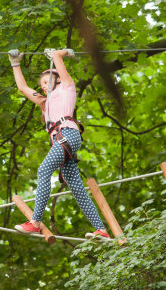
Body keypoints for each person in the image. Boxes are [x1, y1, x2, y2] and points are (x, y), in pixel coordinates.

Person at [7, 48, 110, 240]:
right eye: (42, 84)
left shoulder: (66, 89)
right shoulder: (45, 103)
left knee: (43, 170)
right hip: (61, 142)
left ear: (59, 80)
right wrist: (15, 64)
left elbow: (59, 62)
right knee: (77, 188)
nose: (43, 86)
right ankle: (101, 230)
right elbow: (23, 88)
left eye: (47, 82)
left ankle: (35, 222)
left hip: (68, 136)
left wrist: (59, 54)